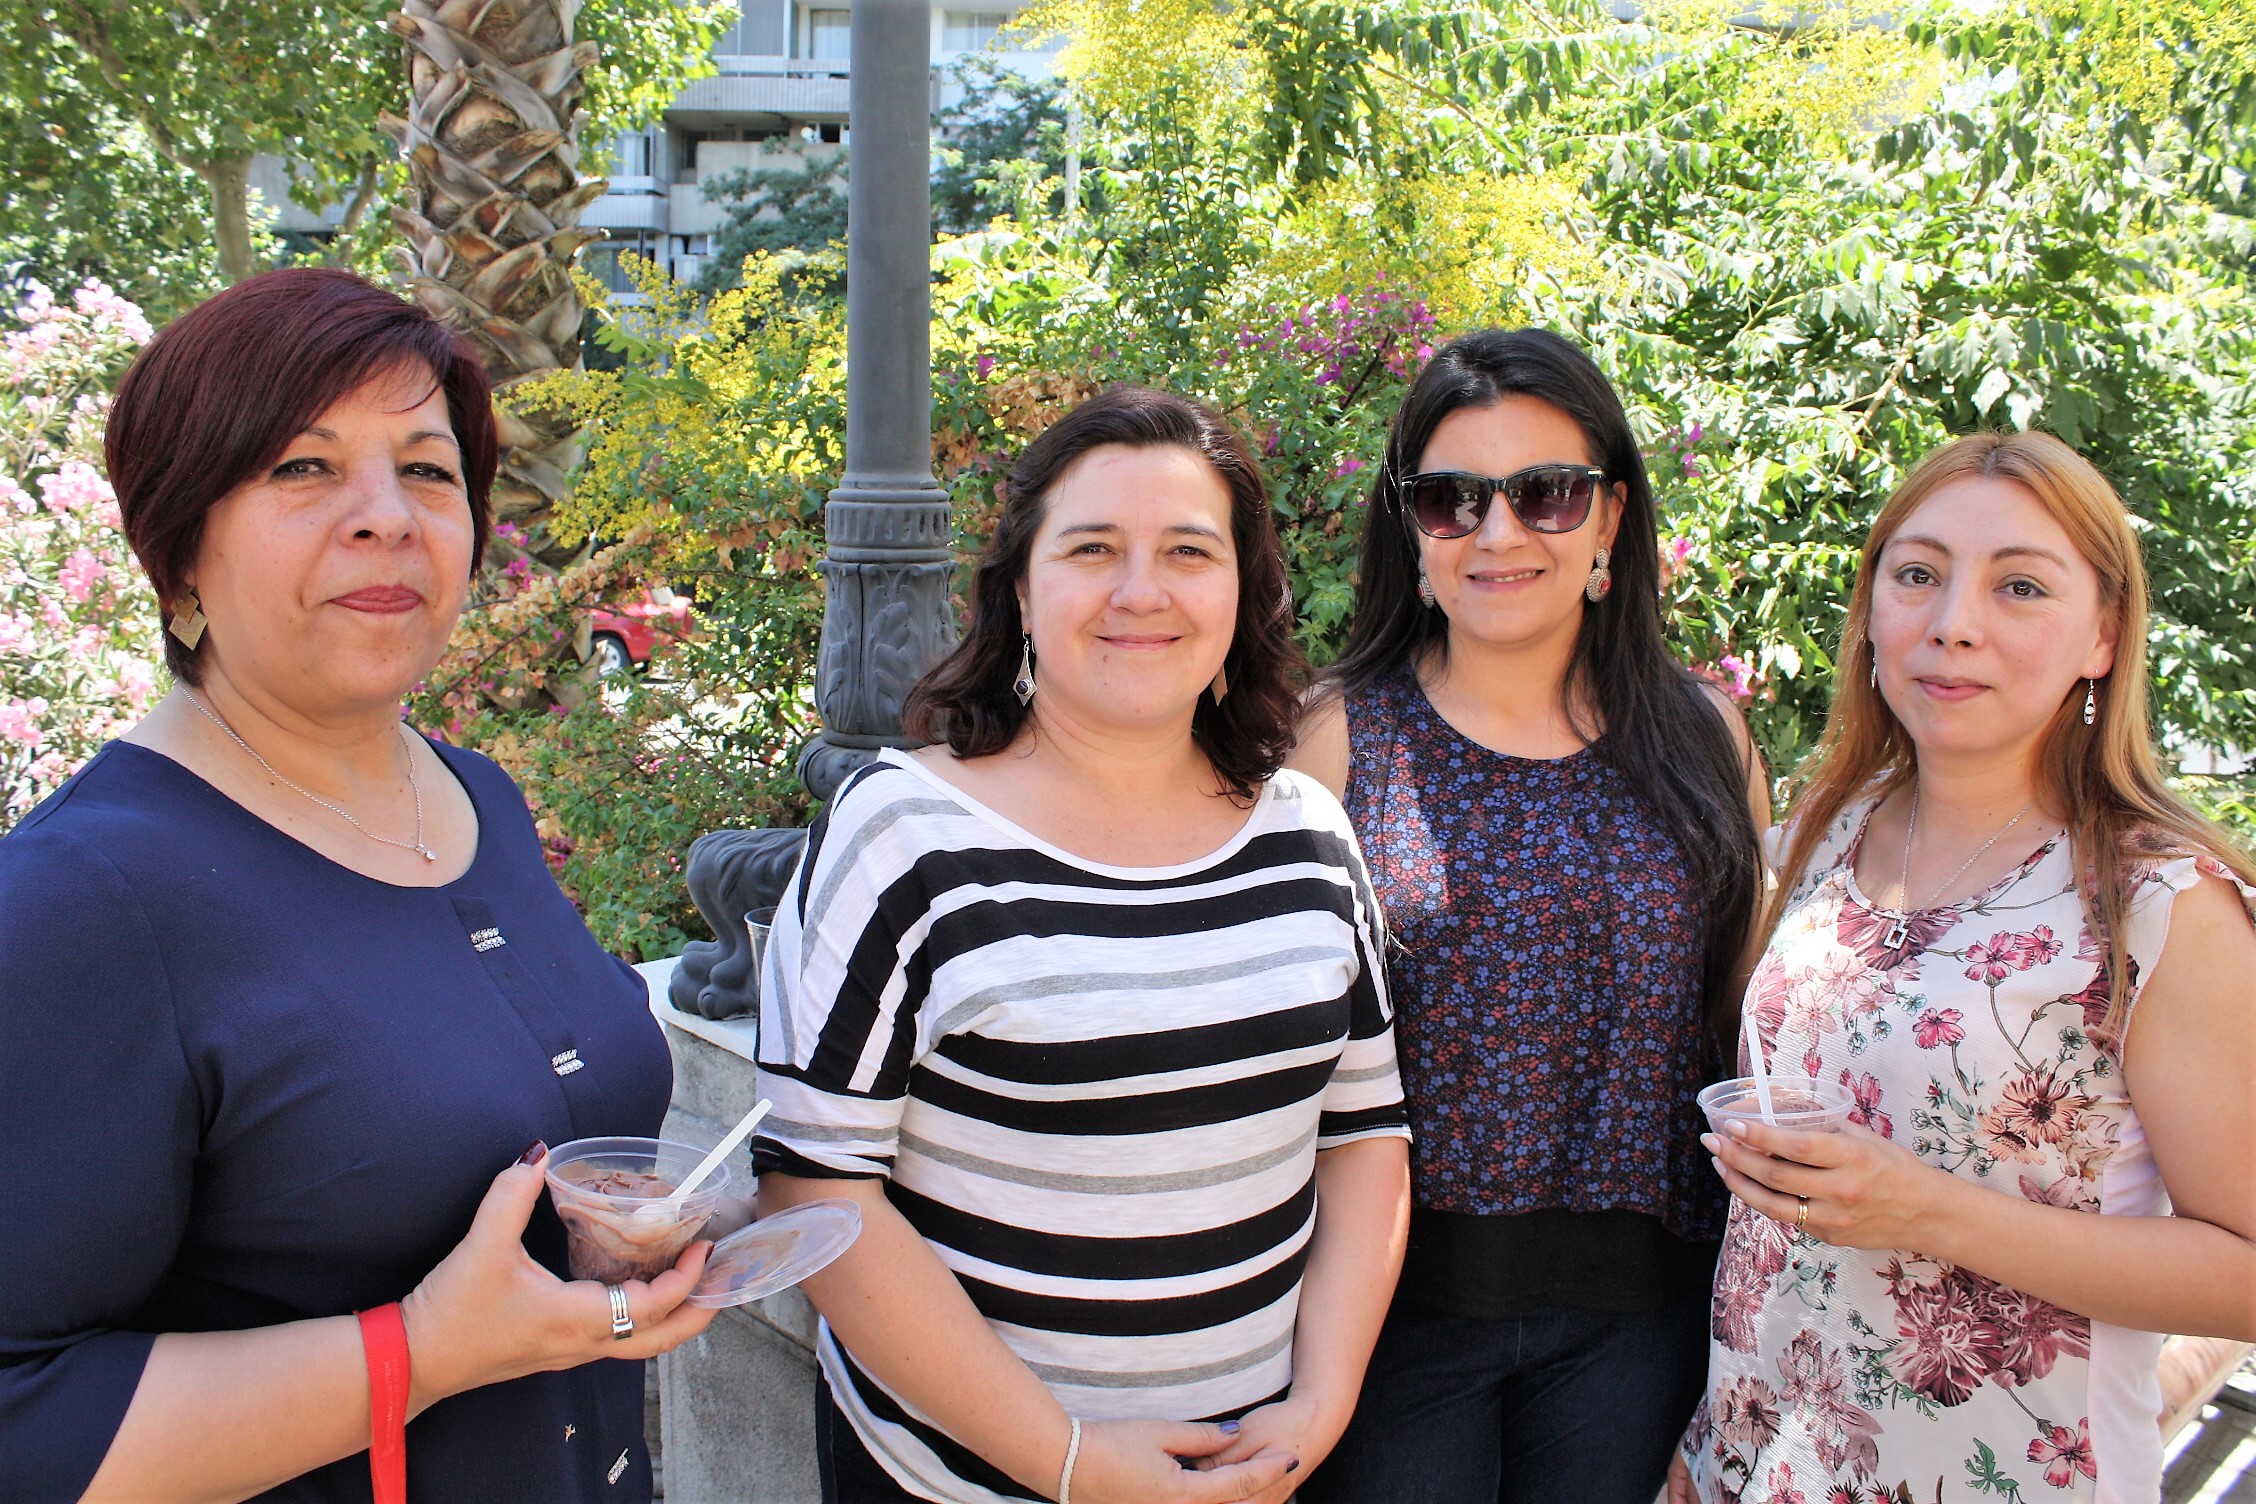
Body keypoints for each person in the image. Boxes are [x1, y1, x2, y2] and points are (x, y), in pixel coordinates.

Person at [0, 267, 718, 1503]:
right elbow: (22, 1413)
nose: (388, 517)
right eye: (303, 466)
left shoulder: (474, 796)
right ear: (179, 552)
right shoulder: (85, 897)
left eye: (428, 471)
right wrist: (420, 1352)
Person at [752, 387, 1414, 1504]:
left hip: (1252, 1476)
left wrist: (1321, 1403)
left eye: (1189, 551)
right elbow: (814, 1188)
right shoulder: (903, 831)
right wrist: (1067, 1461)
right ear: (1020, 589)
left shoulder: (1307, 833)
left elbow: (1363, 1138)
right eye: (1092, 548)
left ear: (1242, 588)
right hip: (962, 1482)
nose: (1140, 591)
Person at [1669, 432, 2256, 1504]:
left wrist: (1928, 1211)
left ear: (2103, 635)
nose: (1954, 623)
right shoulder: (1830, 832)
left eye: (2019, 585)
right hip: (1751, 1462)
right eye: (1918, 575)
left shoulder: (2161, 905)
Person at [1290, 328, 1770, 1504]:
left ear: (1610, 518)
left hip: (1641, 1325)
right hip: (1388, 1322)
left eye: (1546, 492)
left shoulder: (1708, 739)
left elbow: (1745, 1030)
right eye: (1452, 499)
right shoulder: (1338, 739)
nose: (1499, 532)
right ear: (1411, 527)